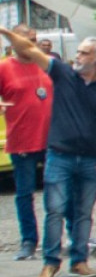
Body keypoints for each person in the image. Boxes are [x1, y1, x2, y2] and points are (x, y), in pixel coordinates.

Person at [2, 30, 96, 277]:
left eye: (84, 53)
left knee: (83, 212)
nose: (77, 56)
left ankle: (79, 261)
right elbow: (29, 50)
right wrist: (4, 31)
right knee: (54, 209)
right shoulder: (63, 73)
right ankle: (50, 262)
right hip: (59, 155)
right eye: (77, 51)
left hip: (91, 158)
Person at [0, 26, 52, 260]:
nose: (32, 45)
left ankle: (61, 238)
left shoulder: (45, 63)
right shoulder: (4, 68)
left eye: (34, 40)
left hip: (52, 139)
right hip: (22, 139)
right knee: (24, 193)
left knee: (60, 190)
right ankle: (29, 241)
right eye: (28, 41)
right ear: (14, 43)